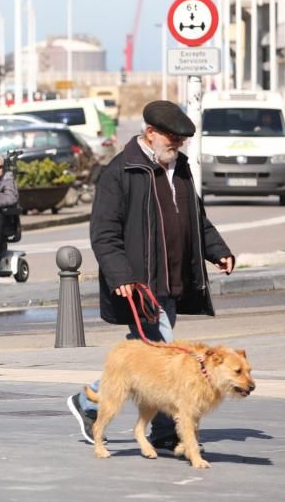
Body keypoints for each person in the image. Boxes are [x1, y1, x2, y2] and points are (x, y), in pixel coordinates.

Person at [66, 100, 235, 452]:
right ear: (150, 133)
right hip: (139, 286)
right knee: (163, 357)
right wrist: (121, 275)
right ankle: (160, 429)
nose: (178, 145)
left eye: (182, 140)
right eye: (172, 138)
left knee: (148, 360)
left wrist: (218, 251)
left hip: (172, 281)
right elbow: (104, 232)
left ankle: (89, 403)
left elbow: (196, 220)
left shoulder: (181, 168)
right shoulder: (121, 171)